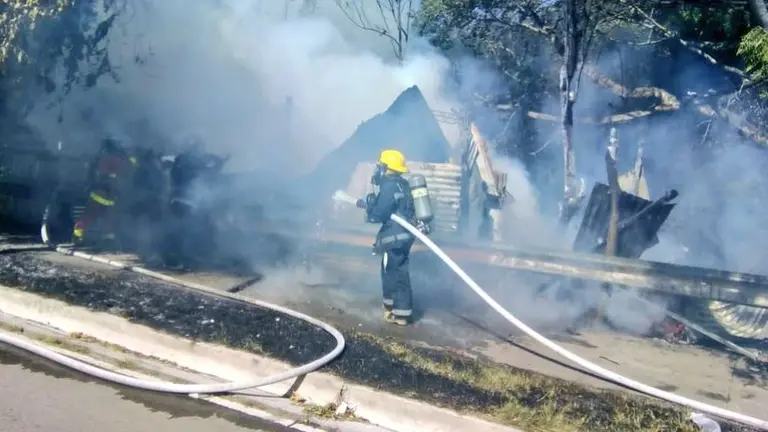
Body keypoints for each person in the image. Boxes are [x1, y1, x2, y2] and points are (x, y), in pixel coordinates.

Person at [356, 149, 416, 326]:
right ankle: (393, 308)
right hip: (404, 235)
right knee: (395, 270)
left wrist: (369, 207)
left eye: (380, 166)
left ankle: (400, 314)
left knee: (394, 273)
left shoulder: (389, 186)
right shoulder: (402, 184)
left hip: (395, 235)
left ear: (386, 168)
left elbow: (380, 213)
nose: (377, 169)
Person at [72, 137, 136, 246]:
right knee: (107, 218)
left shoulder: (101, 159)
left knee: (92, 217)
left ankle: (80, 236)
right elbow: (130, 167)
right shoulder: (113, 160)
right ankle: (106, 240)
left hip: (102, 194)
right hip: (106, 194)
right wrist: (130, 157)